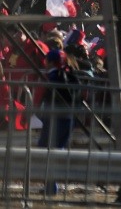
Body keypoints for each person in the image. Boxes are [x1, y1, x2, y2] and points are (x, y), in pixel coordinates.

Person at [37, 49, 80, 195]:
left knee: (45, 150)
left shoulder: (53, 77)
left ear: (50, 62)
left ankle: (52, 186)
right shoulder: (69, 75)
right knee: (55, 150)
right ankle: (52, 185)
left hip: (55, 119)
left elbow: (45, 97)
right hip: (69, 118)